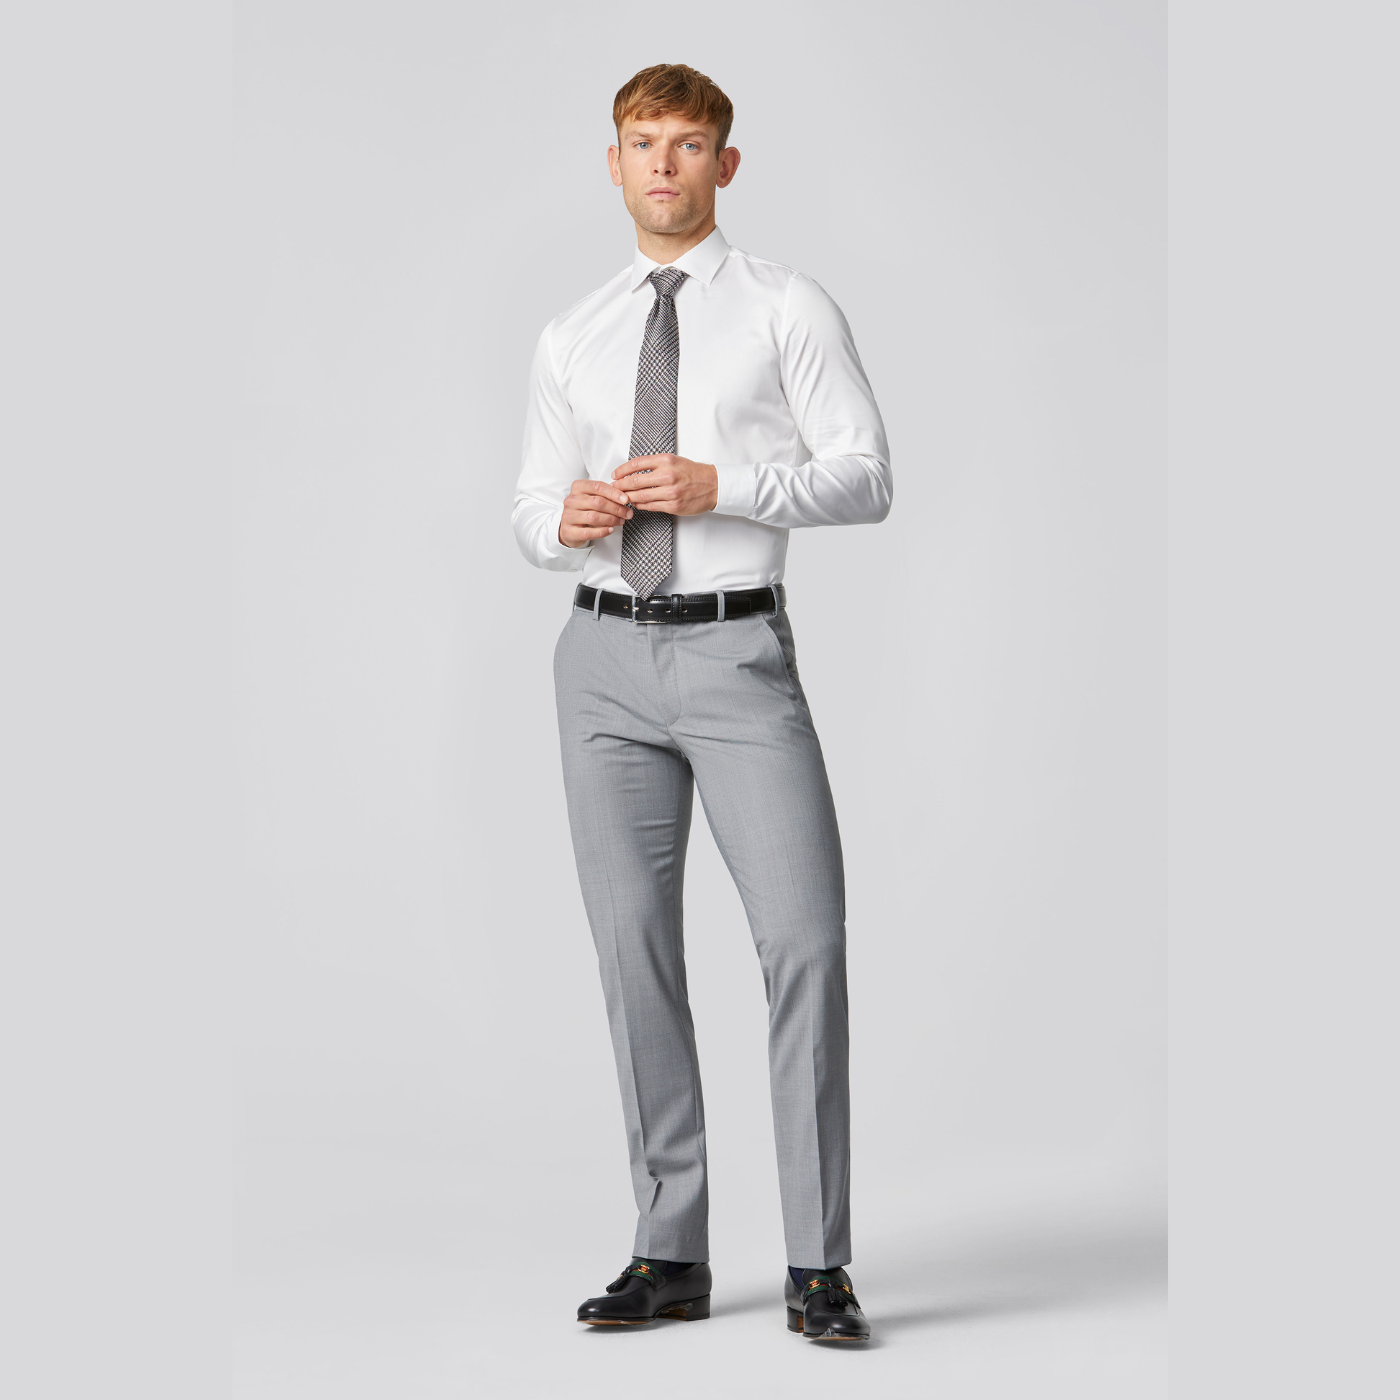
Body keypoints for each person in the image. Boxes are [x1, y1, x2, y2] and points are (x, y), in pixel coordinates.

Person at [512, 62, 890, 1343]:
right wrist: (561, 521)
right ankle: (667, 1248)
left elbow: (865, 475)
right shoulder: (572, 332)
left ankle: (818, 1262)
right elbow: (528, 507)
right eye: (641, 142)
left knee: (804, 941)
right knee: (633, 951)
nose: (662, 164)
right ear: (612, 163)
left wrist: (721, 485)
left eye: (685, 143)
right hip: (600, 660)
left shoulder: (786, 306)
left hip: (735, 654)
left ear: (724, 164)